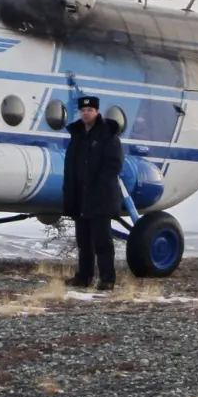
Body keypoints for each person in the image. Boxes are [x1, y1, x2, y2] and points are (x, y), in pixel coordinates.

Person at [62, 94, 124, 290]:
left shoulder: (107, 134)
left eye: (90, 110)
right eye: (83, 110)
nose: (86, 113)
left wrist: (101, 187)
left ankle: (107, 278)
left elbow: (114, 164)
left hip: (100, 197)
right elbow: (70, 166)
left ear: (97, 112)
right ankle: (84, 277)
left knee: (102, 241)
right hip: (81, 197)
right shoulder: (77, 136)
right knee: (83, 241)